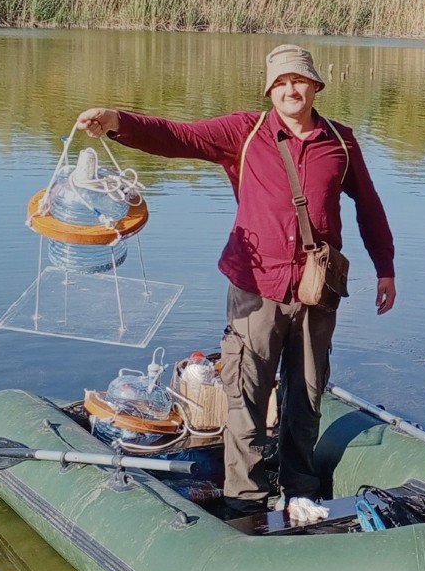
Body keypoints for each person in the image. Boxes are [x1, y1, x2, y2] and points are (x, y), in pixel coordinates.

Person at [75, 44, 396, 517]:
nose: (291, 89)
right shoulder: (243, 132)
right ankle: (244, 500)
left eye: (300, 81)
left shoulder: (341, 142)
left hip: (316, 290)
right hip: (255, 287)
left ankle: (300, 488)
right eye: (281, 82)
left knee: (306, 393)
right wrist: (117, 120)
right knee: (247, 394)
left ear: (316, 86)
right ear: (270, 89)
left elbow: (368, 206)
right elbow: (176, 136)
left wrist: (385, 267)